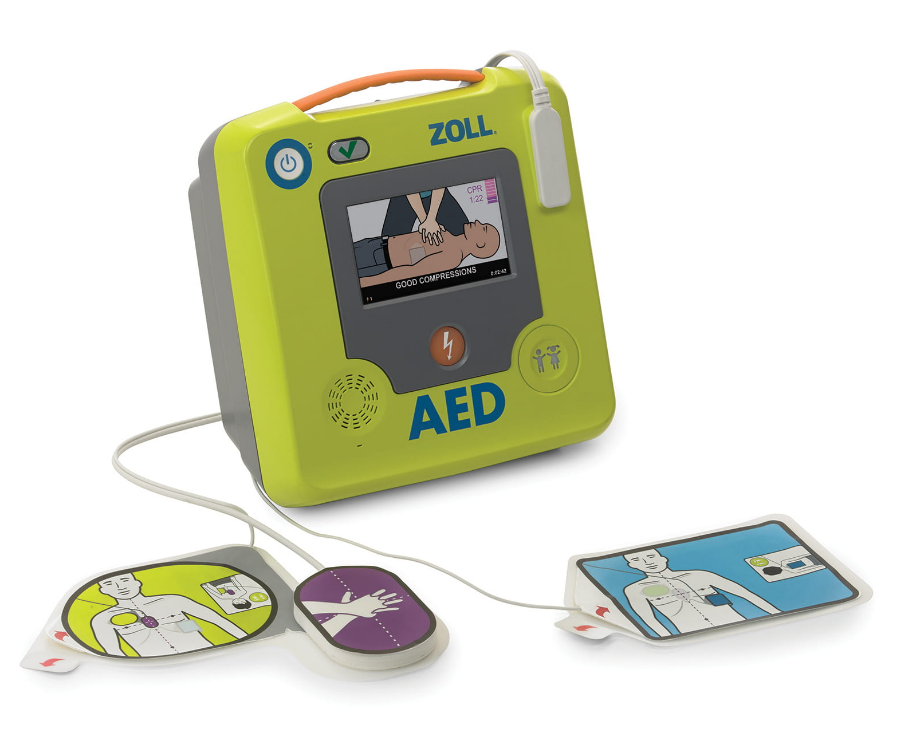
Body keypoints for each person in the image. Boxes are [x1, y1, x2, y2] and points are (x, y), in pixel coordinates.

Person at [622, 548, 780, 637]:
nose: (647, 562)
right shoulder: (635, 589)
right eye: (636, 560)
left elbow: (746, 594)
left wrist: (777, 614)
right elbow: (649, 620)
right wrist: (667, 641)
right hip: (694, 638)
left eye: (650, 556)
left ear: (663, 558)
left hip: (743, 628)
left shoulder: (700, 575)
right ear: (631, 566)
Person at [90, 573, 248, 656]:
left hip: (210, 654)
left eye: (125, 580)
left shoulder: (173, 600)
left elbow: (218, 620)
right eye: (109, 584)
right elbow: (112, 652)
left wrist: (247, 642)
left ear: (137, 582)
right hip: (160, 670)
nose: (120, 587)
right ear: (103, 590)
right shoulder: (102, 619)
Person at [356, 220, 501, 288]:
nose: (478, 222)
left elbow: (411, 272)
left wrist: (368, 282)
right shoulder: (450, 238)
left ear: (480, 245)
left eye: (483, 229)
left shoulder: (453, 257)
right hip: (376, 247)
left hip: (377, 261)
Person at [381, 187, 469, 245]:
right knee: (388, 243)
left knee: (463, 232)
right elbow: (407, 185)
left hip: (436, 192)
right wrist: (425, 222)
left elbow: (439, 179)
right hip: (404, 195)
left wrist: (431, 219)